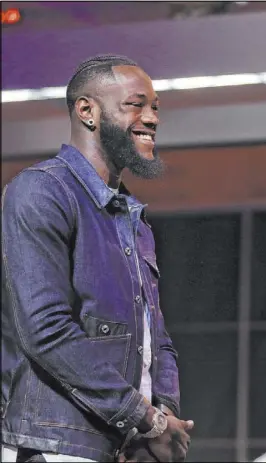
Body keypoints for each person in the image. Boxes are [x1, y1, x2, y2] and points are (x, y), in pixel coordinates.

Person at [1, 54, 193, 462]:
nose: (152, 118)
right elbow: (47, 331)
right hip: (61, 443)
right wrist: (147, 419)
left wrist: (164, 416)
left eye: (155, 107)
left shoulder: (132, 216)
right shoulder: (41, 191)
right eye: (135, 104)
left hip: (124, 442)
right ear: (87, 111)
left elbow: (156, 340)